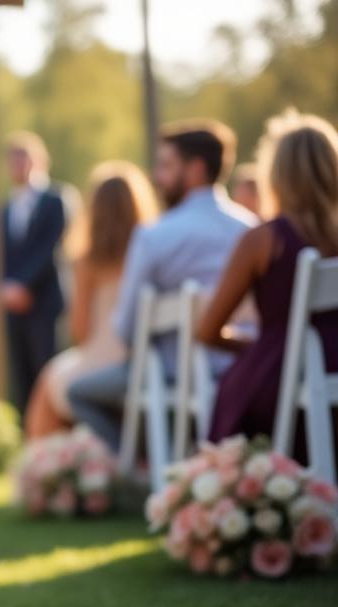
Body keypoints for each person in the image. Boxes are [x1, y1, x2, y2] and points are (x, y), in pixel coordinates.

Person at [67, 119, 258, 451]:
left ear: (195, 169)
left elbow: (127, 329)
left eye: (167, 166)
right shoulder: (252, 229)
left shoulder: (155, 236)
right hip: (244, 364)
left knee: (77, 392)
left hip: (170, 375)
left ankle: (136, 467)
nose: (158, 177)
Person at [197, 112, 338, 452]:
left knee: (239, 386)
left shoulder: (264, 240)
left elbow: (206, 331)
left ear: (276, 175)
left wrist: (260, 345)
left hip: (283, 377)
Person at [25, 161, 158, 438]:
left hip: (103, 359)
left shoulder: (88, 263)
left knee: (48, 384)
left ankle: (50, 470)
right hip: (151, 361)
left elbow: (81, 332)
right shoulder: (152, 255)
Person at [0, 132, 70, 411]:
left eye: (23, 157)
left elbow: (50, 248)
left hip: (45, 302)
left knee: (48, 370)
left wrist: (24, 285)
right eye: (13, 159)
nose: (17, 164)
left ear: (39, 160)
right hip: (13, 306)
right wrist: (5, 287)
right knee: (22, 378)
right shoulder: (5, 209)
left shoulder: (56, 200)